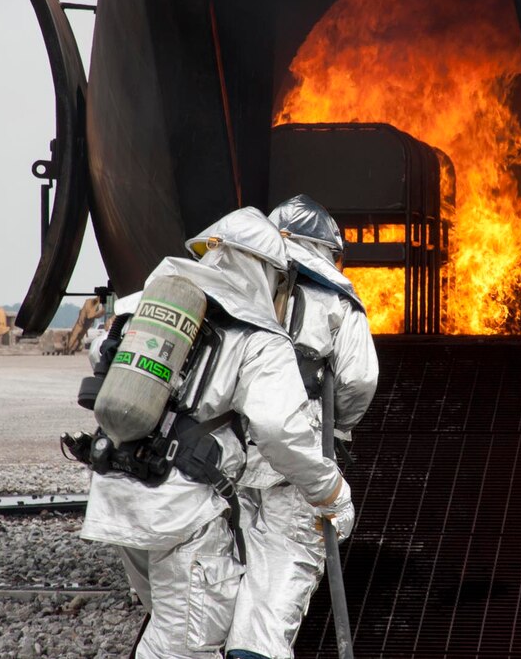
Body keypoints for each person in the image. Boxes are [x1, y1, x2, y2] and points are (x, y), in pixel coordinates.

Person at [77, 207, 354, 659]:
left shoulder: (144, 309)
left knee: (170, 613)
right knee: (186, 639)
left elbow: (99, 355)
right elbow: (279, 431)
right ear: (266, 272)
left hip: (120, 488)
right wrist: (330, 491)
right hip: (181, 504)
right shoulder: (259, 339)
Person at [225, 195, 378, 659]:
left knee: (226, 574)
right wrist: (338, 429)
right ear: (327, 251)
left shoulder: (238, 285)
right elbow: (358, 378)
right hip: (297, 450)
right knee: (283, 573)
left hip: (227, 451)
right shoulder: (335, 300)